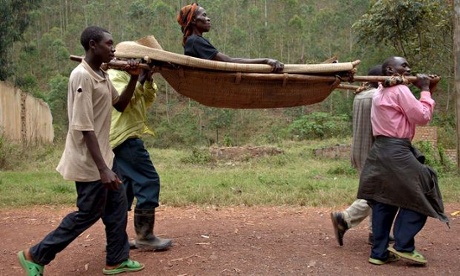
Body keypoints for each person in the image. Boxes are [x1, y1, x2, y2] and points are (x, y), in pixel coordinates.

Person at [17, 26, 145, 275]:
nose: (113, 48)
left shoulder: (102, 75)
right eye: (109, 44)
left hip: (105, 156)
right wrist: (103, 170)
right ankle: (36, 254)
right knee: (87, 214)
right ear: (93, 45)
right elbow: (84, 127)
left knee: (117, 206)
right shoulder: (81, 76)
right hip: (90, 161)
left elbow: (120, 104)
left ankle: (116, 259)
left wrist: (133, 77)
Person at [357, 56, 449, 265]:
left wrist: (427, 89)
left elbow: (409, 112)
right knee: (424, 189)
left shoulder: (380, 91)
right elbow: (422, 117)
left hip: (380, 150)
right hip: (397, 150)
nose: (408, 69)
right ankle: (403, 245)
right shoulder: (399, 90)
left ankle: (378, 253)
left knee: (384, 198)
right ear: (390, 70)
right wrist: (425, 89)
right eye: (403, 66)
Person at [108, 64, 173, 251]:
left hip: (121, 139)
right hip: (125, 138)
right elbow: (124, 103)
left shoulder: (128, 77)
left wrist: (148, 78)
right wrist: (139, 78)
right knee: (148, 181)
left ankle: (116, 239)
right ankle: (145, 236)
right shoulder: (114, 76)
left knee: (124, 190)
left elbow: (146, 100)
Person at [330, 65, 392, 246]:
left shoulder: (359, 96)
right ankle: (345, 218)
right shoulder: (377, 97)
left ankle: (375, 232)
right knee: (378, 193)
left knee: (375, 190)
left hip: (359, 151)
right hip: (374, 152)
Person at [177, 2, 284, 72]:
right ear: (194, 20)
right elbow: (229, 61)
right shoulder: (195, 41)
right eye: (204, 15)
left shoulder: (193, 41)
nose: (208, 19)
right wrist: (265, 60)